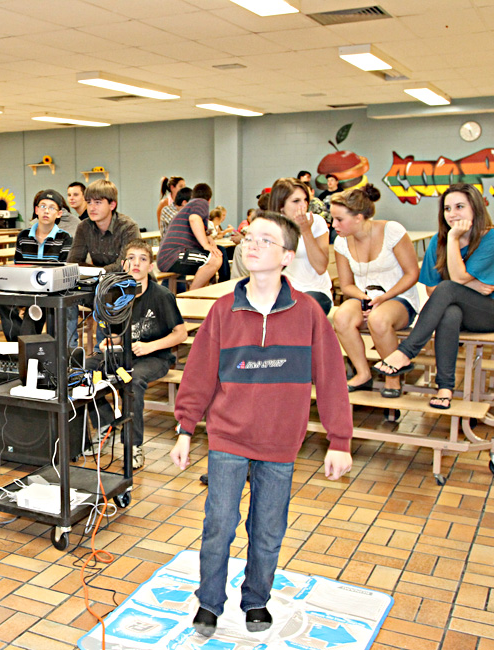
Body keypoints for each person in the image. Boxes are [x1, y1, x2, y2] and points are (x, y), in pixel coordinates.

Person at [170, 211, 352, 638]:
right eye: (249, 237)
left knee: (268, 529)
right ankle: (209, 602)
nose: (252, 245)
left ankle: (256, 599)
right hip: (227, 437)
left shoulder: (309, 313)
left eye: (265, 240)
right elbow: (198, 375)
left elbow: (331, 378)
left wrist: (339, 440)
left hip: (280, 442)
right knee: (219, 525)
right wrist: (185, 429)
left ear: (287, 256)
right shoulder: (222, 311)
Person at [375, 183, 494, 409]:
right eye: (447, 208)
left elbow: (455, 280)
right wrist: (470, 284)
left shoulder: (493, 237)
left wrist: (454, 239)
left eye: (459, 207)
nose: (452, 214)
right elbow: (432, 290)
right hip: (455, 309)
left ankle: (406, 352)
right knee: (450, 312)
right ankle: (445, 388)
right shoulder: (438, 240)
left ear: (475, 208)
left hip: (489, 312)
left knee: (447, 288)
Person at [87, 239, 185, 469]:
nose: (136, 263)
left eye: (143, 259)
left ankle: (133, 445)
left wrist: (152, 346)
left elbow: (180, 334)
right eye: (131, 258)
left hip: (155, 357)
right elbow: (118, 334)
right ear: (123, 264)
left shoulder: (161, 296)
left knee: (133, 380)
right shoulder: (117, 295)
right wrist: (110, 342)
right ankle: (106, 423)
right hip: (125, 354)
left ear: (150, 266)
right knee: (86, 369)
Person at [331, 185, 420, 396]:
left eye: (339, 219)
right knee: (341, 317)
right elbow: (347, 285)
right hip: (366, 299)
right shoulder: (341, 242)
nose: (334, 225)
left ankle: (392, 377)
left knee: (378, 319)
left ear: (358, 217)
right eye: (333, 218)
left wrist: (383, 298)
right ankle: (363, 373)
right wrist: (365, 299)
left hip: (399, 298)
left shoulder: (392, 231)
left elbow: (412, 273)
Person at [0, 189, 74, 343]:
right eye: (43, 206)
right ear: (36, 210)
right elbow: (18, 265)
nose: (46, 211)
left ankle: (22, 346)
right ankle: (21, 344)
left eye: (52, 208)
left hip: (48, 291)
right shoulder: (23, 236)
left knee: (34, 309)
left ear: (59, 214)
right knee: (0, 299)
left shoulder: (65, 238)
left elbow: (61, 270)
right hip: (24, 287)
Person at [268, 177, 332, 314]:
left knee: (301, 309)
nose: (303, 205)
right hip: (283, 291)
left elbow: (320, 267)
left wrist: (305, 230)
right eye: (296, 201)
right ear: (281, 206)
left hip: (315, 290)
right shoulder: (271, 227)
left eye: (305, 200)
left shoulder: (316, 222)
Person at [156, 184, 223, 291]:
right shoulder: (201, 202)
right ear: (209, 200)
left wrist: (208, 239)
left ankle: (199, 294)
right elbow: (194, 219)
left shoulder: (190, 205)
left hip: (169, 256)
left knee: (211, 260)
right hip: (172, 256)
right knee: (215, 259)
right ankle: (192, 295)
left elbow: (198, 228)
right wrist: (206, 245)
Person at [67, 179, 140, 273]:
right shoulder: (84, 227)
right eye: (89, 202)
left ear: (112, 205)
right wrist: (98, 272)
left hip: (130, 279)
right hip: (99, 278)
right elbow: (73, 262)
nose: (92, 208)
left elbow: (125, 264)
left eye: (98, 202)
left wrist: (98, 272)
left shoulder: (128, 227)